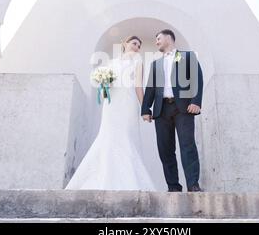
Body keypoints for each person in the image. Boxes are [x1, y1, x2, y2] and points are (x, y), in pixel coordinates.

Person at [66, 36, 157, 191]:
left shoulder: (137, 61)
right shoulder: (112, 62)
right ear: (125, 44)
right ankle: (103, 177)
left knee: (126, 136)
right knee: (107, 135)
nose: (137, 47)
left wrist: (145, 108)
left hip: (127, 101)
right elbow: (105, 89)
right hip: (111, 104)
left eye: (139, 46)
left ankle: (129, 181)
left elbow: (138, 86)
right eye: (134, 43)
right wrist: (105, 89)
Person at [141, 29, 204, 193]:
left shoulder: (188, 56)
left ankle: (193, 184)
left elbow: (198, 79)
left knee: (187, 146)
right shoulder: (156, 64)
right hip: (161, 110)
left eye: (158, 38)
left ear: (169, 38)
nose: (156, 42)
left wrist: (196, 102)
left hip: (183, 108)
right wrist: (145, 108)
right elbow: (150, 88)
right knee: (165, 150)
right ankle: (173, 187)